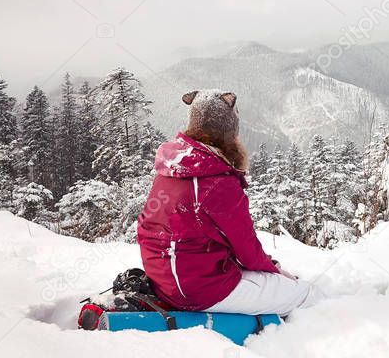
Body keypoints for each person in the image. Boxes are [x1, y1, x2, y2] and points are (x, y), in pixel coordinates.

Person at [137, 89, 322, 315]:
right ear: (229, 130)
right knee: (305, 294)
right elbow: (247, 250)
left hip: (166, 281)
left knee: (273, 283)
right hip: (199, 289)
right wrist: (274, 270)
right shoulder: (216, 181)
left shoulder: (171, 169)